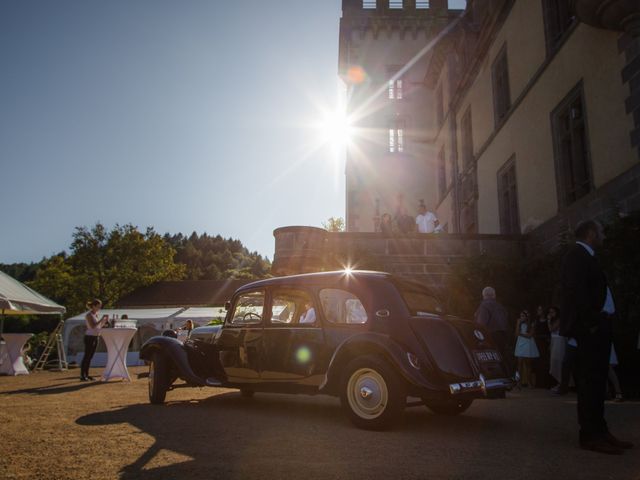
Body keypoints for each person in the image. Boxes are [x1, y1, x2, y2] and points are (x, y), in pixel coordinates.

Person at [560, 219, 633, 454]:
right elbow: (575, 292)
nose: (603, 236)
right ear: (591, 233)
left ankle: (601, 431)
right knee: (590, 383)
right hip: (590, 329)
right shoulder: (576, 254)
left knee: (598, 382)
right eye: (601, 231)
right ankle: (590, 435)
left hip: (598, 327)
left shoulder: (587, 255)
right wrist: (590, 322)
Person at [474, 286, 510, 365]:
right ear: (494, 295)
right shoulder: (500, 306)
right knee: (501, 360)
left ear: (484, 296)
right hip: (502, 337)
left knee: (492, 362)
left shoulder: (484, 306)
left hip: (490, 337)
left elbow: (481, 325)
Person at [81, 299, 108, 381]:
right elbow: (93, 326)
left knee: (90, 356)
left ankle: (87, 374)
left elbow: (98, 326)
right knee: (87, 356)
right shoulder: (89, 315)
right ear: (93, 306)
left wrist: (104, 321)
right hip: (90, 337)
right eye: (98, 306)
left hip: (96, 336)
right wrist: (101, 319)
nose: (99, 308)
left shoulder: (95, 314)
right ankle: (83, 375)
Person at [514, 310, 539, 387]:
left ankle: (529, 382)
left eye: (523, 316)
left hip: (528, 344)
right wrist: (518, 324)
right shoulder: (519, 324)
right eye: (520, 316)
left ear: (527, 316)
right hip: (520, 343)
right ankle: (519, 382)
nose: (521, 318)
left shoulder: (531, 324)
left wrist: (520, 334)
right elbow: (516, 333)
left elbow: (530, 335)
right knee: (519, 363)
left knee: (528, 364)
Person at [533, 305, 552, 388]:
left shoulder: (547, 321)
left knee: (545, 362)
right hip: (537, 342)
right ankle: (538, 383)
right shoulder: (536, 321)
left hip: (545, 342)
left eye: (540, 309)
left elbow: (549, 332)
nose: (539, 311)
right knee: (538, 362)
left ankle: (546, 383)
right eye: (538, 309)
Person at [547, 306, 565, 390]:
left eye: (552, 312)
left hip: (559, 341)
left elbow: (552, 329)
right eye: (550, 312)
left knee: (558, 361)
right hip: (554, 341)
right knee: (554, 361)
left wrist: (548, 320)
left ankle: (562, 383)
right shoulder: (552, 320)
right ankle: (559, 382)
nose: (551, 314)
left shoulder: (559, 320)